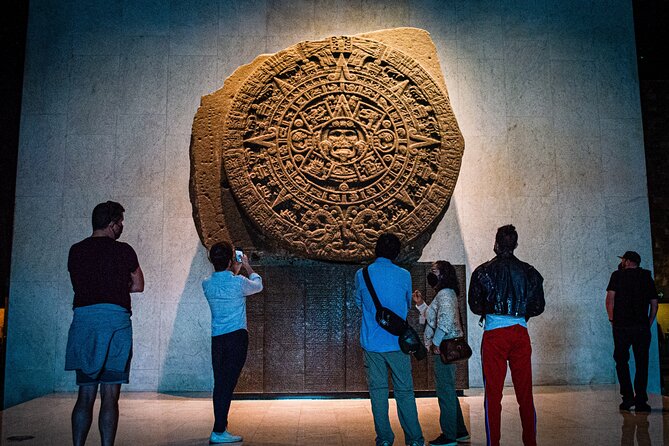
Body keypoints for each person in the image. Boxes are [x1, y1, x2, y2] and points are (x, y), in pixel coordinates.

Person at [65, 201, 144, 446]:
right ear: (111, 225)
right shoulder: (124, 250)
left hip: (85, 321)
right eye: (119, 222)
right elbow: (139, 285)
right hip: (115, 323)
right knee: (110, 396)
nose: (121, 227)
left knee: (85, 393)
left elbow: (78, 283)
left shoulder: (75, 250)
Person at [468, 225, 544, 446]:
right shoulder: (530, 271)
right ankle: (530, 442)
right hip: (520, 333)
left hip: (494, 335)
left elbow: (474, 305)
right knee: (525, 394)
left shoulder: (482, 272)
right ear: (516, 245)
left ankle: (495, 443)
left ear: (496, 243)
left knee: (493, 394)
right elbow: (538, 306)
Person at [354, 233, 424, 446]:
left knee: (378, 392)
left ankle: (384, 439)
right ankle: (414, 439)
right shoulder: (404, 275)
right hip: (398, 343)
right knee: (405, 391)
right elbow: (407, 305)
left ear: (376, 249)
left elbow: (359, 302)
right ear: (396, 252)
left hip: (372, 342)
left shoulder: (362, 274)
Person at [203, 241, 263, 444]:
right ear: (231, 260)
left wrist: (232, 270)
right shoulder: (238, 282)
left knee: (220, 383)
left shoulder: (207, 284)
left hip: (217, 339)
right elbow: (258, 285)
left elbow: (224, 283)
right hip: (236, 337)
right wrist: (246, 266)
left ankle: (220, 427)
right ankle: (219, 430)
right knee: (227, 385)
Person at [413, 261, 470, 446]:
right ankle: (459, 431)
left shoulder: (445, 294)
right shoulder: (446, 294)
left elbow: (443, 322)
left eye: (435, 271)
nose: (432, 274)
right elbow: (432, 315)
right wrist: (421, 304)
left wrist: (436, 343)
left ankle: (449, 435)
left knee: (444, 392)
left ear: (444, 274)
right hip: (444, 346)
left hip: (444, 348)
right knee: (449, 390)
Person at [605, 250, 658, 412]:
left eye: (623, 260)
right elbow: (654, 303)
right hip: (641, 326)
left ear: (627, 261)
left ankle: (627, 398)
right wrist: (648, 322)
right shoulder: (646, 276)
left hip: (621, 326)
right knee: (642, 362)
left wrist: (612, 320)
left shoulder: (617, 276)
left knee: (621, 361)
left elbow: (609, 300)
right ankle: (641, 400)